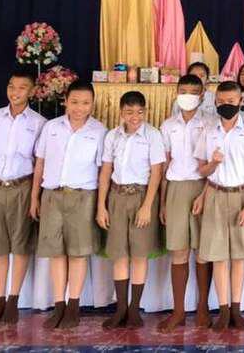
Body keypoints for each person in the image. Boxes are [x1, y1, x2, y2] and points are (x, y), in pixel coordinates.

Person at [0, 67, 46, 326]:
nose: (16, 92)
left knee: (20, 244)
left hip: (22, 188)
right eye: (12, 87)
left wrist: (34, 196)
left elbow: (40, 162)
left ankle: (13, 301)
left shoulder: (39, 124)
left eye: (22, 88)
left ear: (32, 92)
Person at [31, 80, 107, 330]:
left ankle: (73, 306)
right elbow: (40, 164)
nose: (79, 108)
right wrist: (34, 197)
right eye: (74, 102)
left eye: (85, 103)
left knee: (77, 253)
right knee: (56, 252)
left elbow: (103, 171)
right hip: (52, 196)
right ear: (65, 101)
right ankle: (59, 306)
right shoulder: (51, 127)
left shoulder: (99, 131)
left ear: (92, 104)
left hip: (83, 198)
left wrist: (100, 205)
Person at [194, 81, 244, 331]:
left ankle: (236, 309)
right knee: (218, 257)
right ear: (215, 102)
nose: (226, 105)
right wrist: (213, 164)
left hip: (241, 197)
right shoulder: (208, 130)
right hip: (215, 195)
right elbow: (202, 170)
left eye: (231, 101)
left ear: (241, 101)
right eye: (222, 101)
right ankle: (223, 311)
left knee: (239, 257)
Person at [97, 91, 166, 329]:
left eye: (139, 112)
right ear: (121, 113)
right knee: (119, 254)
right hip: (117, 196)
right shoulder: (112, 136)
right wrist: (101, 206)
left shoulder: (153, 135)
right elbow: (106, 171)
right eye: (129, 112)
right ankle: (121, 310)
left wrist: (147, 206)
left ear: (145, 112)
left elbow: (156, 173)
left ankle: (135, 309)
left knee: (139, 254)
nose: (135, 117)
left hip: (141, 196)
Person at [157, 74, 212, 332]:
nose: (188, 95)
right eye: (183, 91)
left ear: (202, 95)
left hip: (203, 187)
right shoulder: (167, 125)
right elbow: (164, 164)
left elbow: (214, 165)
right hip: (176, 189)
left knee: (202, 251)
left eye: (193, 91)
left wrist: (206, 193)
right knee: (178, 250)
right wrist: (162, 202)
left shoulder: (210, 123)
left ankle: (203, 308)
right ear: (176, 93)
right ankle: (178, 311)